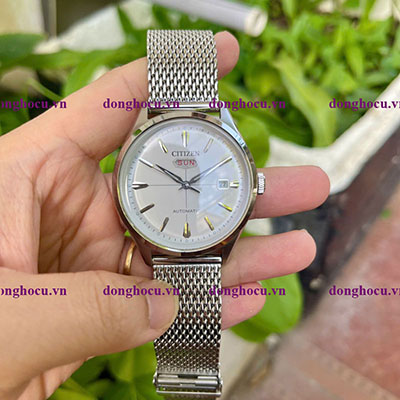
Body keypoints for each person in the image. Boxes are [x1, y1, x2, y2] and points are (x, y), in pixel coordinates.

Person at [0, 32, 330, 400]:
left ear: (254, 185)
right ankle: (187, 377)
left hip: (196, 238)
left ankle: (187, 377)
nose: (187, 183)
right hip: (163, 239)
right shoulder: (143, 161)